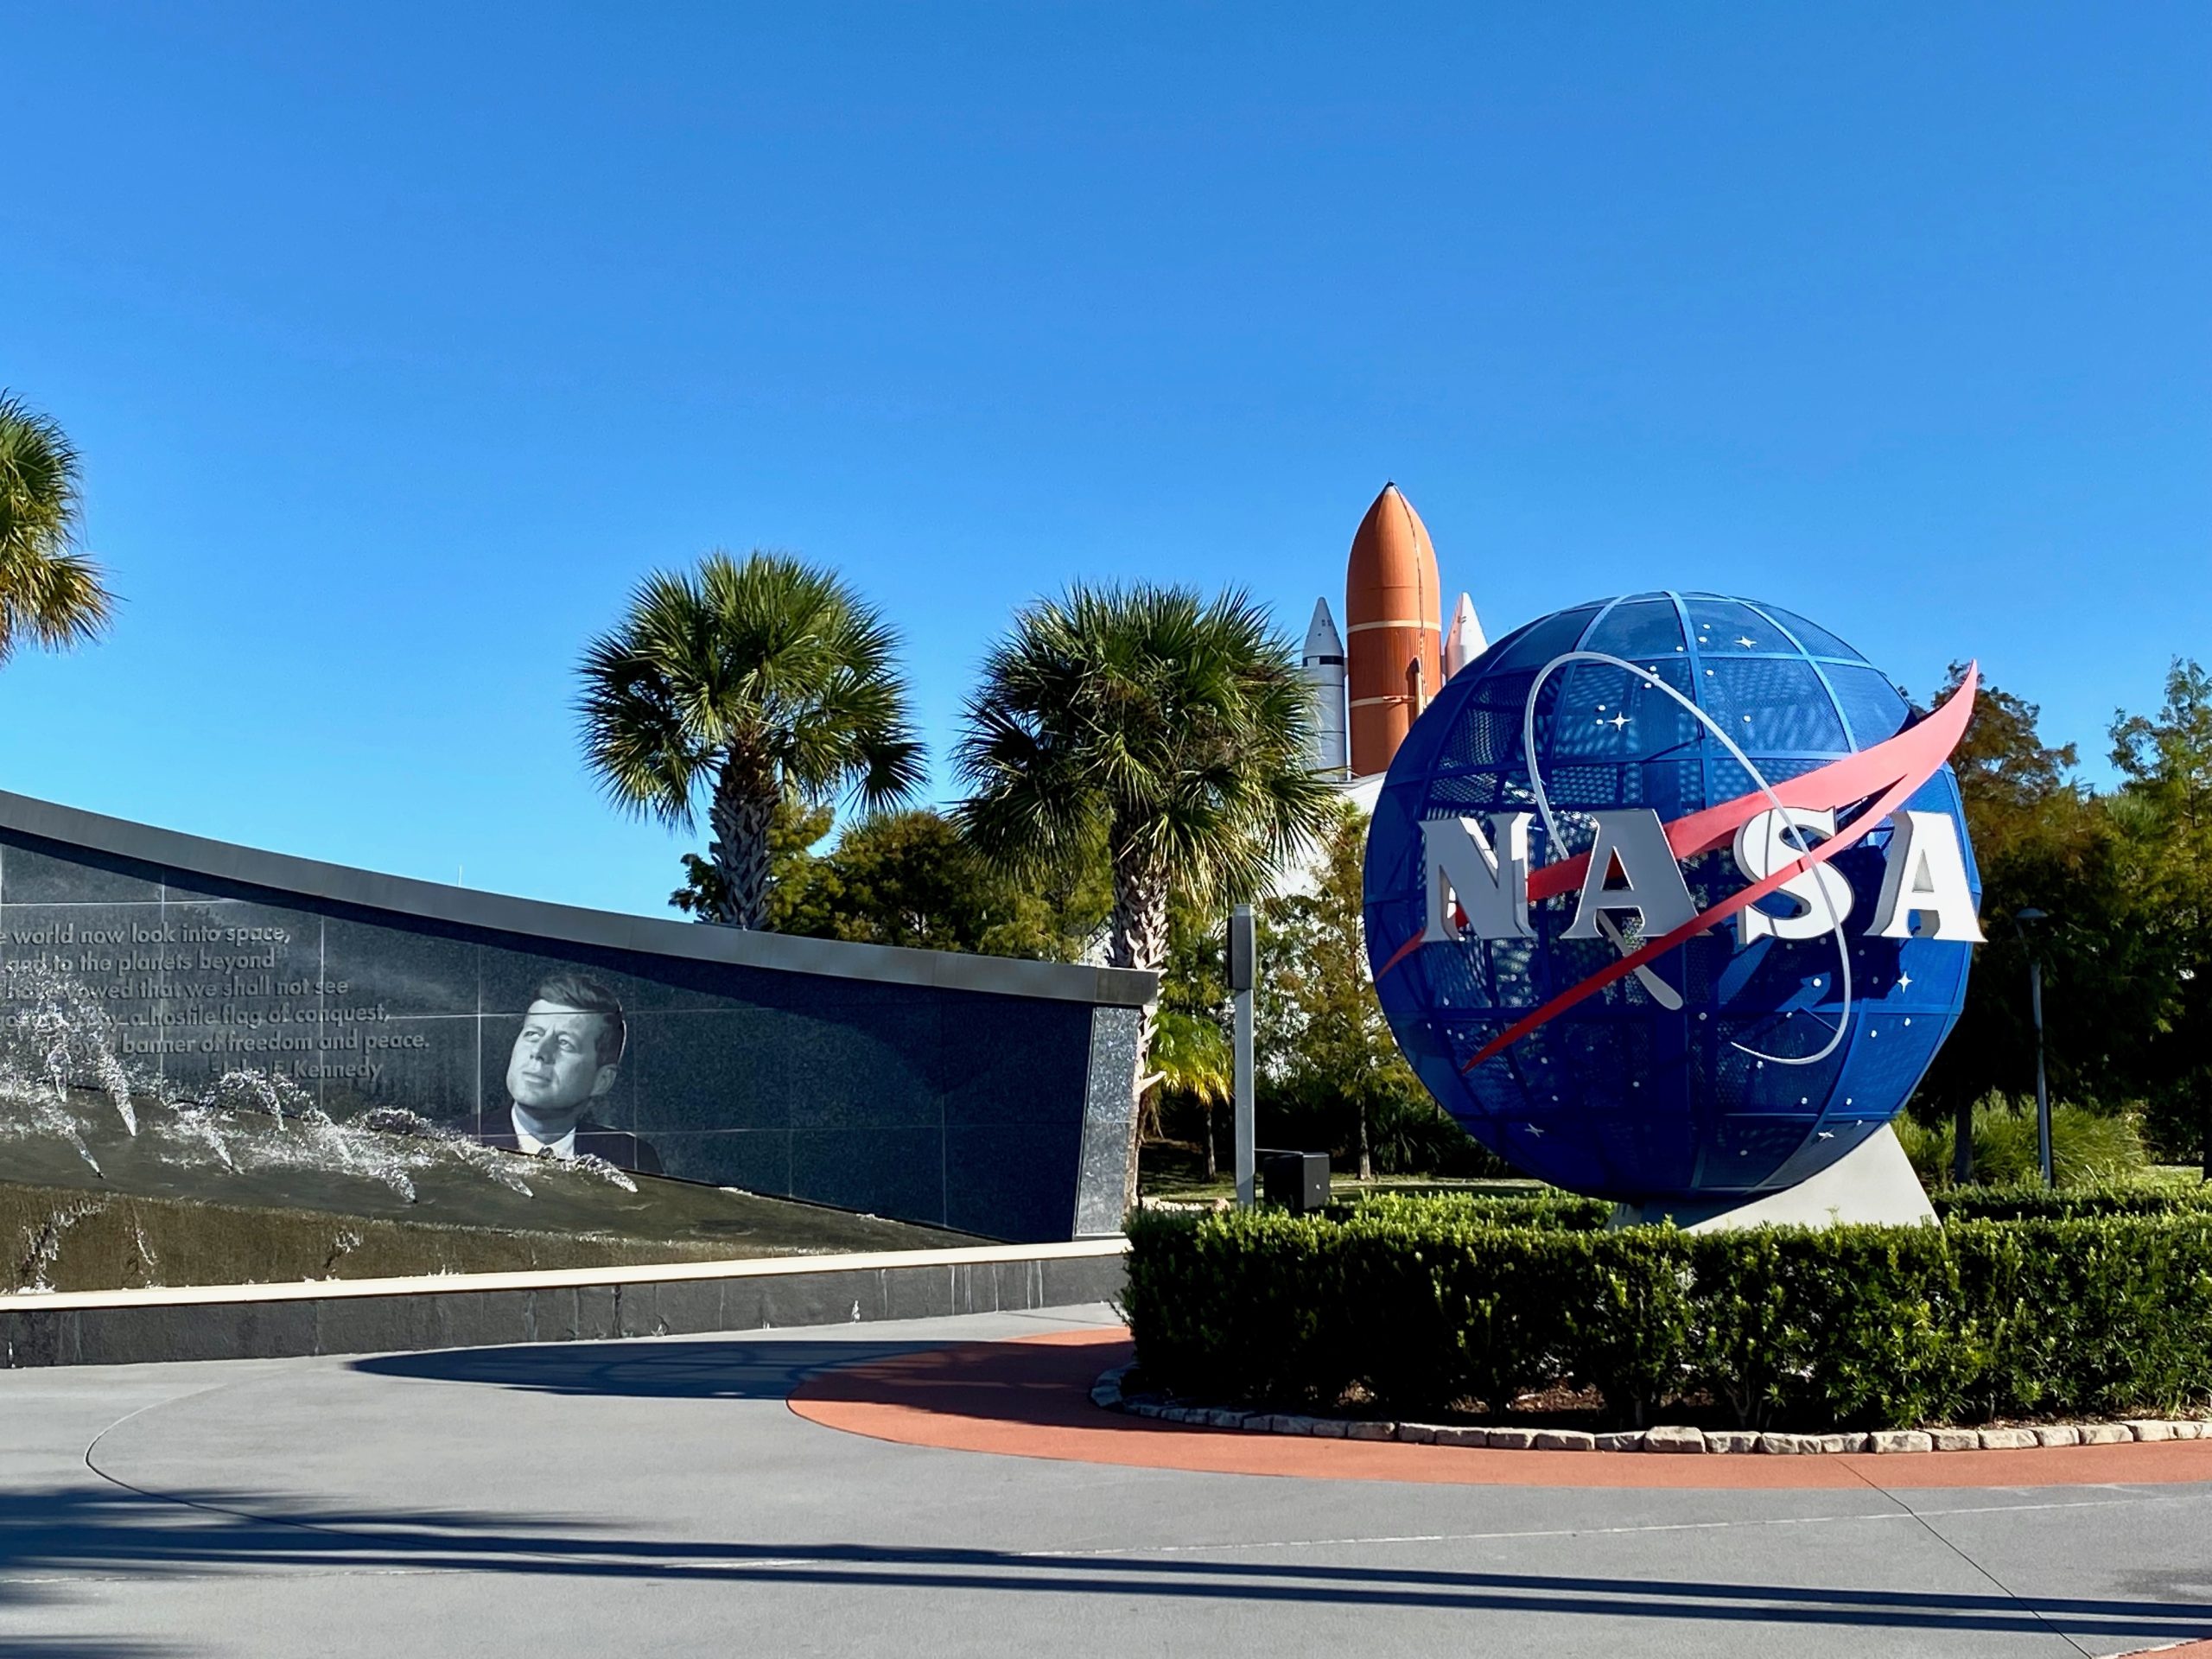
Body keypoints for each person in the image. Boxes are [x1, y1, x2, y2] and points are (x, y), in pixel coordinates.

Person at [479, 971, 663, 1174]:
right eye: (532, 1034)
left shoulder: (632, 1158)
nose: (539, 1052)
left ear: (602, 1080)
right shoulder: (455, 1140)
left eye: (565, 1043)